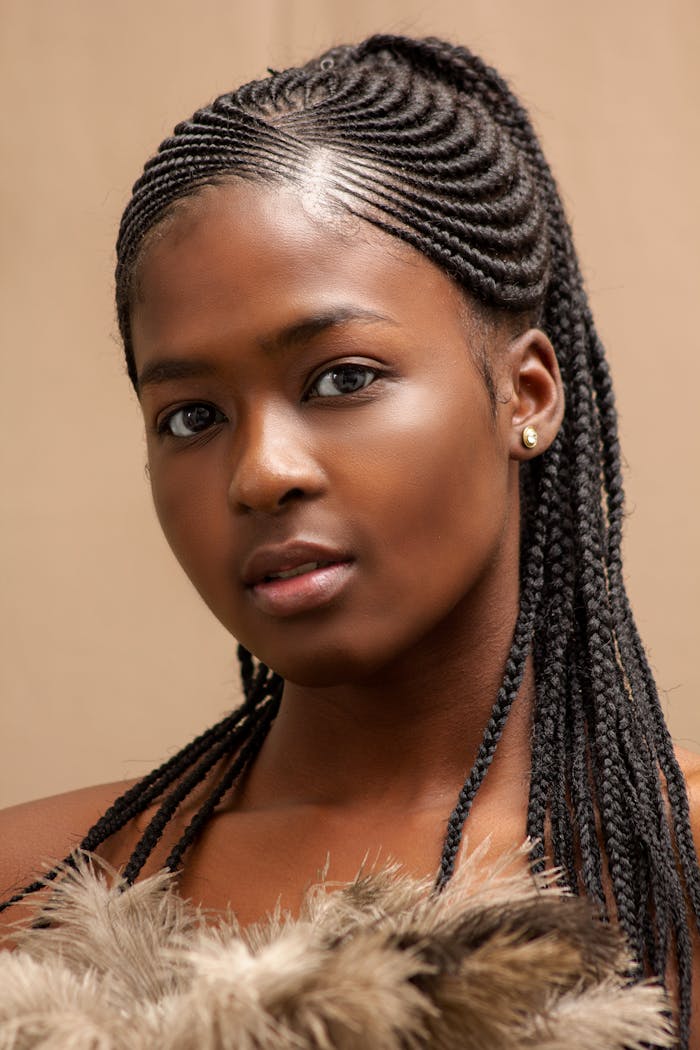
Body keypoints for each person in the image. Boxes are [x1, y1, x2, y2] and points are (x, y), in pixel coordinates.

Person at [1, 31, 698, 1046]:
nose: (260, 472)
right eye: (191, 416)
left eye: (341, 379)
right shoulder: (33, 889)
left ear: (526, 393)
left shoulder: (669, 874)